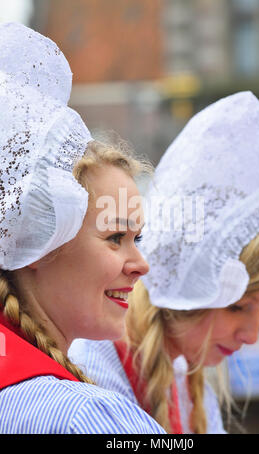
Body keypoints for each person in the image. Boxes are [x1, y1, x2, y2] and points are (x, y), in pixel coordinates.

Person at [69, 91, 259, 434]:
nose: (251, 336)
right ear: (187, 290)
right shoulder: (95, 372)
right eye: (238, 307)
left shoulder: (188, 378)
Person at [0, 22, 166, 435]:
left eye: (137, 239)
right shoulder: (85, 417)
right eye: (115, 238)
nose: (140, 265)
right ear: (38, 243)